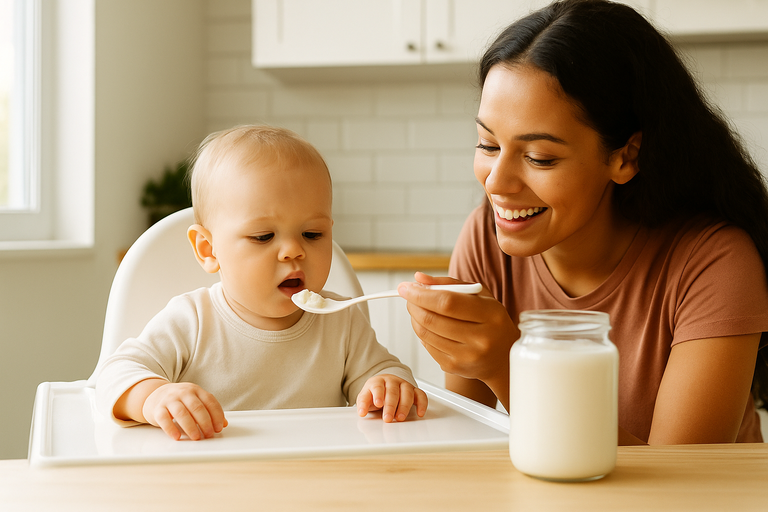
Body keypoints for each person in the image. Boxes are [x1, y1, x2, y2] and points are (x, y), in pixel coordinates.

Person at [398, 0, 768, 445]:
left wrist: (509, 365)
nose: (496, 183)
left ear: (625, 156)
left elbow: (680, 482)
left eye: (540, 157)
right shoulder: (485, 238)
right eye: (488, 145)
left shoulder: (715, 264)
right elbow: (467, 438)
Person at [96, 125, 427, 441]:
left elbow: (382, 370)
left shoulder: (340, 322)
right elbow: (116, 374)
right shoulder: (192, 320)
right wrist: (155, 397)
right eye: (263, 236)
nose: (294, 250)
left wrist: (388, 385)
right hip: (215, 481)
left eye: (313, 234)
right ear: (208, 250)